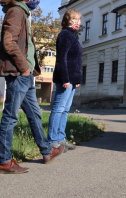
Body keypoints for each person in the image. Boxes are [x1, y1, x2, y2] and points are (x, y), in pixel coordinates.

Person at [0, 0, 64, 174]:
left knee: (35, 114)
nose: (38, 2)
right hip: (18, 73)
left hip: (25, 75)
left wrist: (32, 66)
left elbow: (25, 44)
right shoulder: (17, 12)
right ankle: (4, 161)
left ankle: (46, 150)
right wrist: (25, 67)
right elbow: (9, 42)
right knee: (10, 116)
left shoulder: (24, 12)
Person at [47, 9, 83, 151]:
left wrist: (77, 78)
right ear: (69, 20)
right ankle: (52, 140)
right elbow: (62, 59)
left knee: (65, 110)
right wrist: (66, 79)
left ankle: (61, 139)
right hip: (65, 79)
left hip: (72, 80)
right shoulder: (65, 35)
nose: (79, 22)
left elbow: (75, 60)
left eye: (80, 20)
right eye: (77, 19)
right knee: (58, 109)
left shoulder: (72, 36)